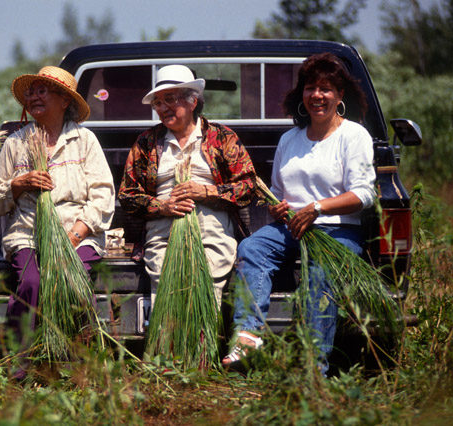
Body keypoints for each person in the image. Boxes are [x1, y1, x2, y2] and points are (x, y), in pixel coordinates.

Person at [224, 53, 376, 374]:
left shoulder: (354, 136)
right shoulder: (289, 139)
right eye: (310, 88)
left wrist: (316, 208)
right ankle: (248, 338)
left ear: (340, 95)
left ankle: (313, 367)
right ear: (301, 94)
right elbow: (278, 194)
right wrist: (277, 207)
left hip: (337, 231)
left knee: (319, 272)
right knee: (251, 248)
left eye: (326, 89)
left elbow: (364, 193)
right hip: (291, 229)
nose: (317, 96)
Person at [0, 66, 115, 342]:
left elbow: (103, 197)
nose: (33, 97)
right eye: (31, 93)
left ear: (65, 100)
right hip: (28, 234)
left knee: (72, 278)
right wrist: (18, 185)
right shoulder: (16, 143)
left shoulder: (84, 141)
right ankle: (20, 363)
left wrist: (74, 236)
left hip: (79, 235)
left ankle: (80, 357)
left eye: (42, 91)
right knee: (31, 282)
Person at [118, 64, 256, 308]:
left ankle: (203, 343)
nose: (162, 108)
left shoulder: (221, 137)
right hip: (162, 231)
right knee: (166, 292)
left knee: (205, 291)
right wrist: (162, 206)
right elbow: (127, 195)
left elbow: (248, 186)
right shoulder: (147, 142)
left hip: (211, 228)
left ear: (193, 102)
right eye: (157, 103)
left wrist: (205, 192)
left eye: (169, 99)